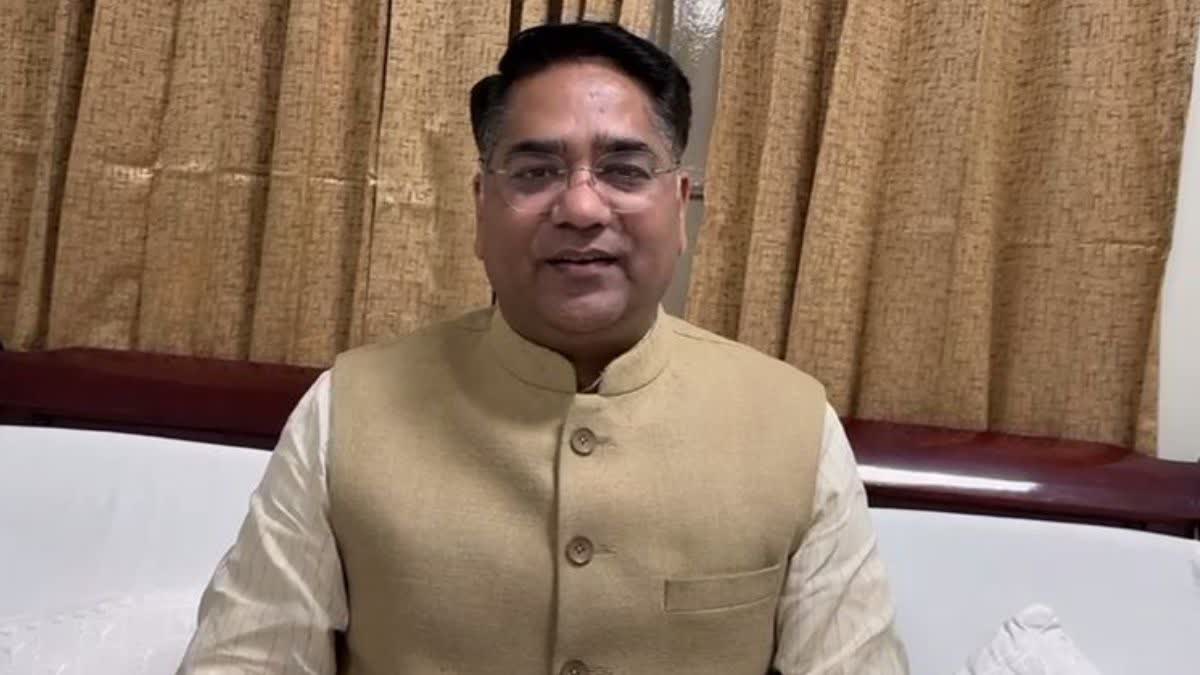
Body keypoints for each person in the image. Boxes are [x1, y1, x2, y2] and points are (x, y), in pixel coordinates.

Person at [177, 21, 908, 675]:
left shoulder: (794, 427)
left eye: (624, 170)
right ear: (481, 207)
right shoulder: (346, 412)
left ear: (680, 205)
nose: (582, 207)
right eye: (535, 172)